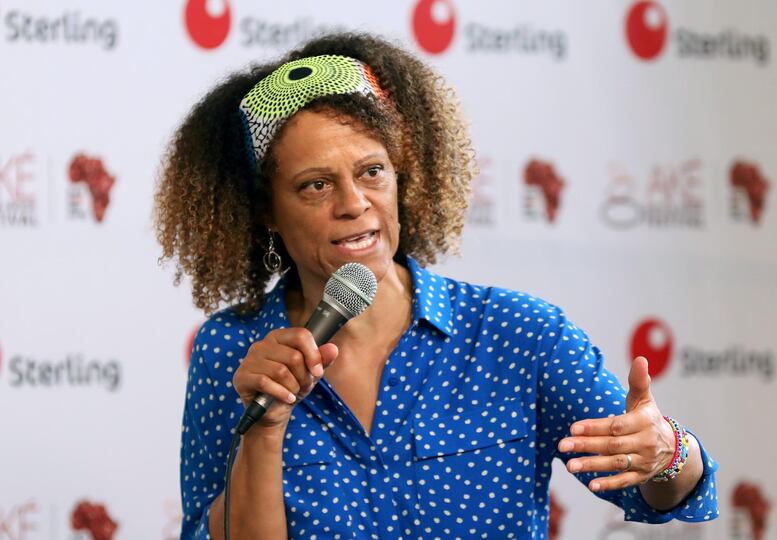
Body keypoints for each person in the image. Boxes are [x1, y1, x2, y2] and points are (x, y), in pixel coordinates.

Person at [154, 33, 718, 539]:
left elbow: (660, 488)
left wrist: (668, 452)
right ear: (266, 212)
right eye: (316, 185)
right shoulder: (231, 351)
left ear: (402, 175)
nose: (354, 204)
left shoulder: (519, 334)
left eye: (372, 171)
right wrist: (265, 428)